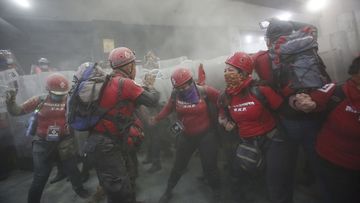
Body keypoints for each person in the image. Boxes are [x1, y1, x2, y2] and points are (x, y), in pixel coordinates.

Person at [252, 19, 327, 203]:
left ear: (269, 39)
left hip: (286, 122)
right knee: (323, 168)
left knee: (281, 174)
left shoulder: (262, 59)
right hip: (314, 117)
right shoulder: (308, 49)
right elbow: (324, 80)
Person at [84, 47, 159, 203]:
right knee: (119, 192)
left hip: (99, 140)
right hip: (107, 144)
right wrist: (150, 86)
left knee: (121, 180)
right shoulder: (125, 83)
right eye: (134, 65)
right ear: (130, 66)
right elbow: (152, 100)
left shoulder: (109, 79)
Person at [5, 73, 89, 203]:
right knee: (41, 175)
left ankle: (79, 189)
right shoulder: (39, 100)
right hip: (43, 142)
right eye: (56, 94)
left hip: (64, 140)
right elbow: (17, 111)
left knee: (72, 168)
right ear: (48, 90)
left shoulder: (68, 99)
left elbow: (80, 113)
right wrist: (10, 102)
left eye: (62, 94)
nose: (60, 97)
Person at [218, 52, 285, 201]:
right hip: (246, 141)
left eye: (231, 70)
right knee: (236, 173)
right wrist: (224, 122)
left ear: (243, 72)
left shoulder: (260, 89)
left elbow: (282, 109)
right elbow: (221, 115)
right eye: (225, 70)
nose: (226, 73)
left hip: (270, 140)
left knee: (273, 178)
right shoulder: (225, 96)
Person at [151, 67, 221, 203]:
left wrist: (225, 117)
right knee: (178, 166)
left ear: (190, 82)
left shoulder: (204, 91)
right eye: (178, 88)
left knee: (210, 166)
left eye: (184, 87)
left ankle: (216, 192)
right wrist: (157, 118)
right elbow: (168, 108)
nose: (182, 90)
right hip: (187, 136)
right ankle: (168, 190)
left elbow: (221, 100)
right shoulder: (176, 94)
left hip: (206, 135)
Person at [309, 56, 360, 203]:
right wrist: (300, 101)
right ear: (356, 73)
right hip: (334, 161)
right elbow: (310, 100)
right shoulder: (337, 91)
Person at [0, 50, 20, 180]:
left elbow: (16, 84)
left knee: (7, 139)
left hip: (7, 110)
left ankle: (10, 164)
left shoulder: (8, 74)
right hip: (3, 111)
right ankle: (4, 169)